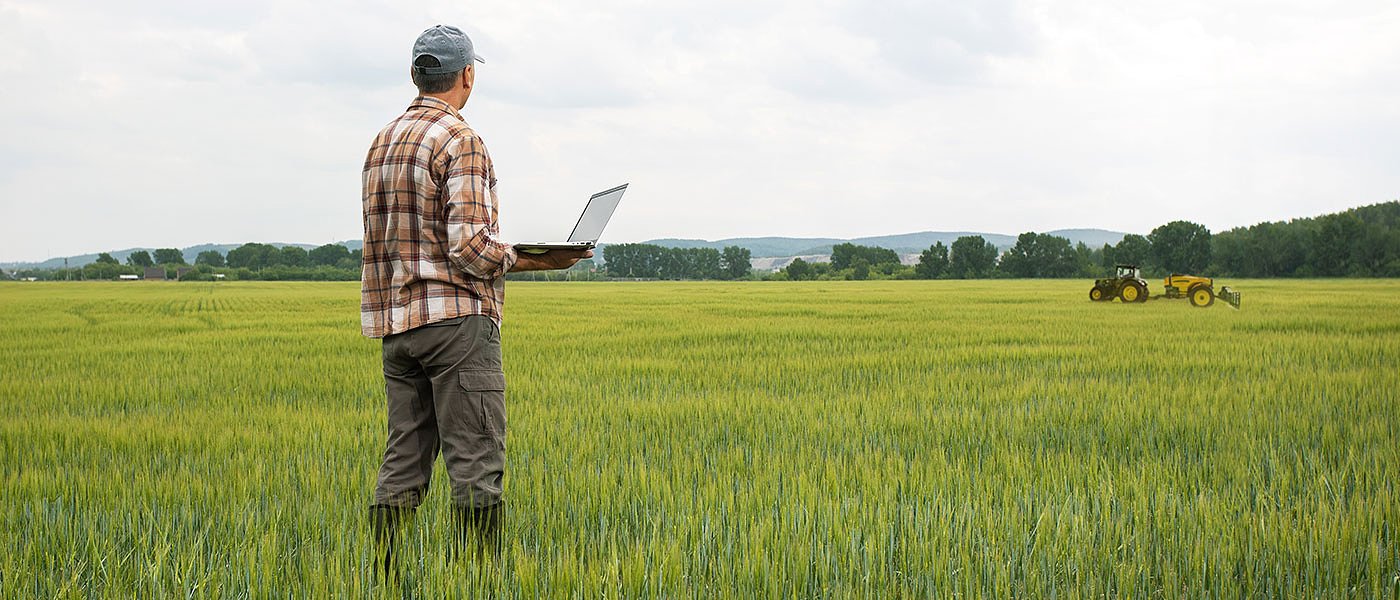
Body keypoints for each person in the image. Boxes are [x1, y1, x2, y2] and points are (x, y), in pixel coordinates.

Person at [360, 24, 590, 575]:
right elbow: (469, 247)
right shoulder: (460, 139)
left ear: (415, 74)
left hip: (398, 327)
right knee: (477, 458)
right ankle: (476, 579)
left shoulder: (383, 140)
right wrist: (540, 260)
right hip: (458, 326)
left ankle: (379, 574)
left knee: (404, 456)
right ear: (467, 74)